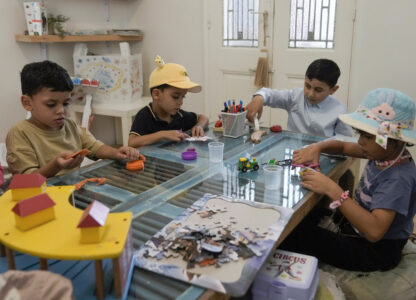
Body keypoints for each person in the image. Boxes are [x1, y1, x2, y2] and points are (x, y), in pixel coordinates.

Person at [280, 88, 416, 271]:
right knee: (299, 218)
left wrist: (332, 189)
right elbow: (343, 146)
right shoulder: (382, 152)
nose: (360, 142)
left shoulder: (398, 178)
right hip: (357, 230)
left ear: (396, 140)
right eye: (360, 134)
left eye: (367, 136)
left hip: (376, 251)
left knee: (297, 235)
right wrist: (318, 147)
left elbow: (375, 232)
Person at [6, 60, 140, 178]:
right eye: (51, 104)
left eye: (65, 103)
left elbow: (94, 146)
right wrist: (56, 165)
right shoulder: (19, 133)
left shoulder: (70, 126)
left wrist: (117, 153)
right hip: (41, 199)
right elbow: (27, 179)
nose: (61, 110)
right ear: (27, 103)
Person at [246, 58, 352, 138]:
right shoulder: (296, 97)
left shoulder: (340, 111)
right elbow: (270, 94)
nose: (310, 94)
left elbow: (344, 142)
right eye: (307, 86)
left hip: (323, 156)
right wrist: (259, 98)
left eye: (318, 90)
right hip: (294, 152)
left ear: (333, 90)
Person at [128, 56, 209, 148]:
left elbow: (203, 118)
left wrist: (199, 126)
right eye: (175, 97)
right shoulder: (145, 115)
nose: (180, 102)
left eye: (183, 97)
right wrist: (162, 134)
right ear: (156, 94)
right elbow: (132, 142)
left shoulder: (179, 115)